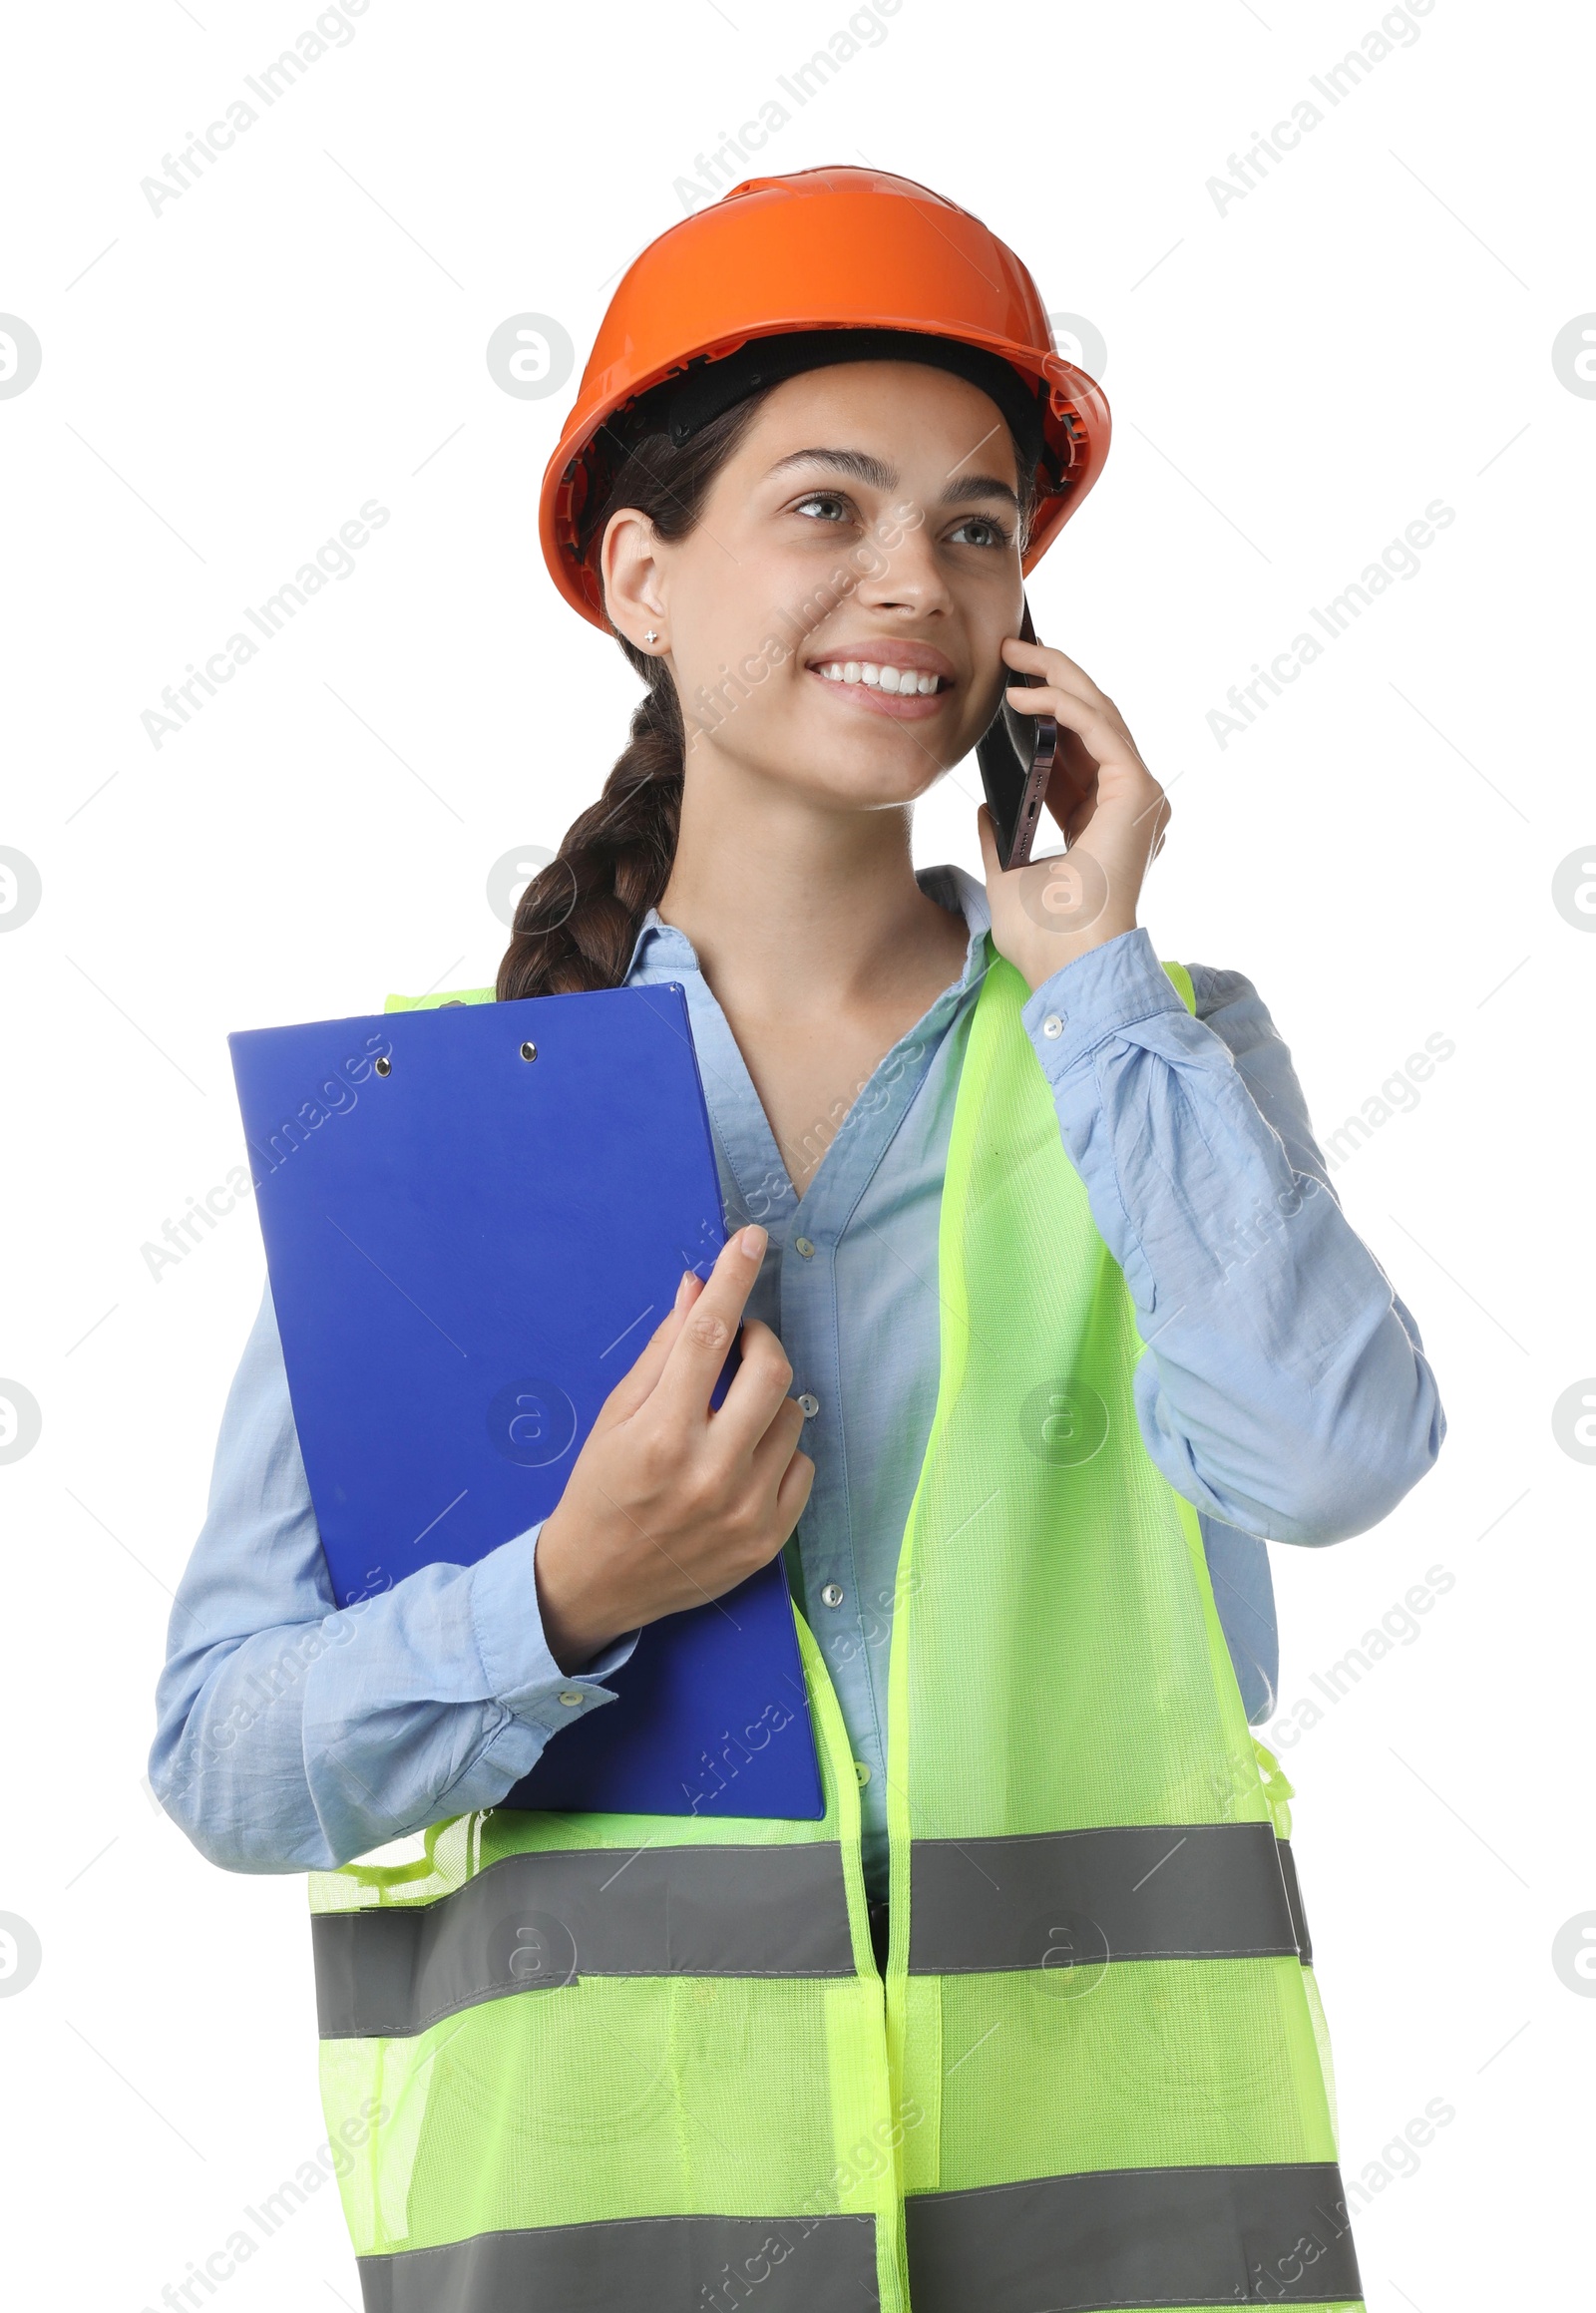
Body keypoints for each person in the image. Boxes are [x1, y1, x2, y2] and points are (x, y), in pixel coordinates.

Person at [151, 167, 1442, 2312]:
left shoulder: (1149, 1056)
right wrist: (564, 1592)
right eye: (825, 508)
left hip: (1122, 2245)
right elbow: (225, 1749)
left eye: (973, 523)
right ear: (639, 578)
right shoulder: (434, 1130)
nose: (913, 583)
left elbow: (1328, 1457)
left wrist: (1099, 972)